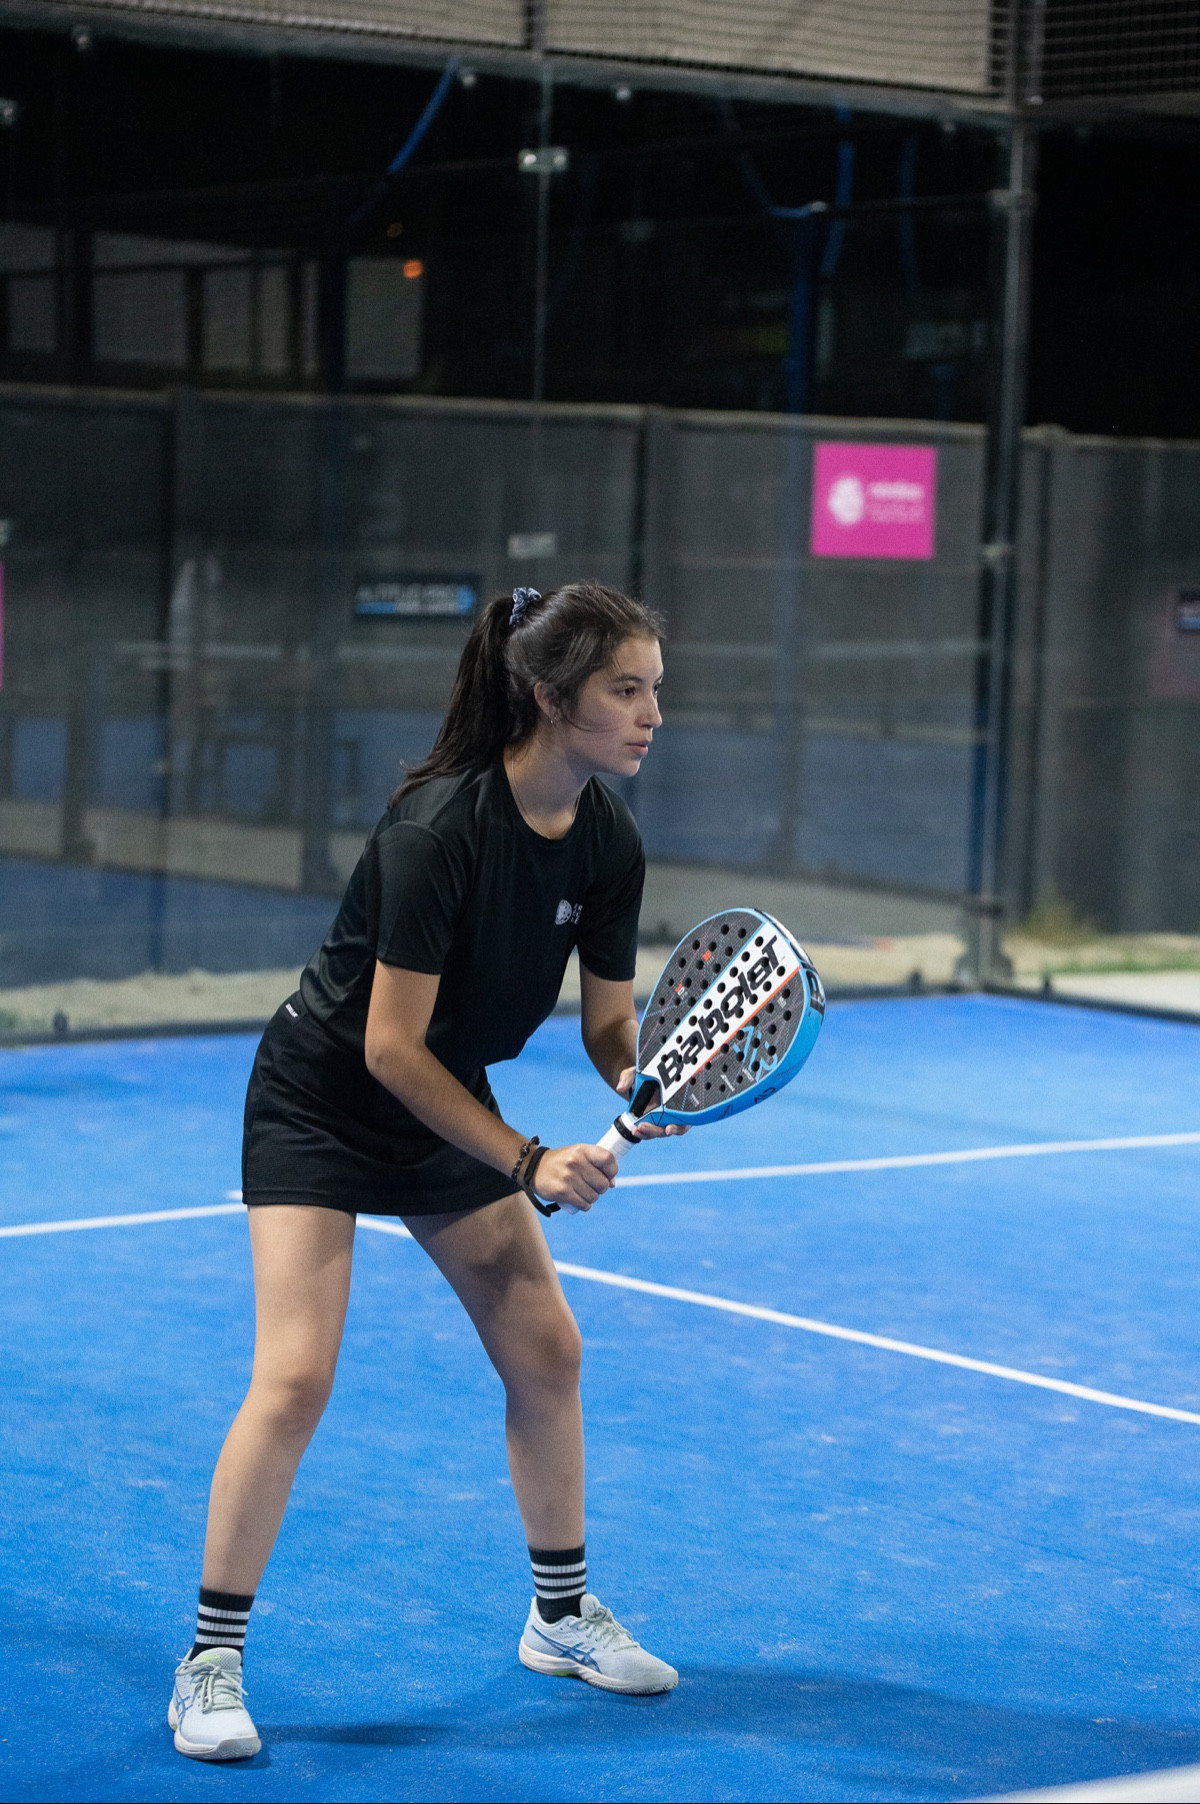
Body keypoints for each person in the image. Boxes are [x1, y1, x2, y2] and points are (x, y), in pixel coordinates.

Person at [169, 580, 680, 1763]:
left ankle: (559, 1616)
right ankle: (209, 1661)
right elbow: (389, 1048)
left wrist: (649, 1075)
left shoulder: (607, 838)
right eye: (627, 690)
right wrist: (529, 1160)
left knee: (548, 1350)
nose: (653, 714)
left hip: (440, 1105)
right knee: (295, 1376)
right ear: (550, 696)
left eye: (657, 689)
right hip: (322, 1100)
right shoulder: (437, 830)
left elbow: (610, 1025)